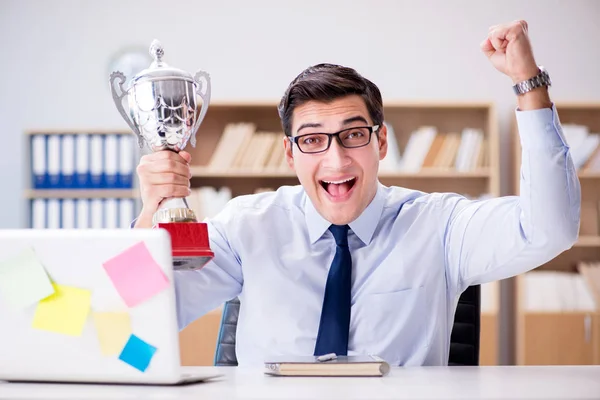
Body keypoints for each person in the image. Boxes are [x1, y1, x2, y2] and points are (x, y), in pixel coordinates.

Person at [133, 20, 581, 366]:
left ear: (381, 142)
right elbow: (143, 315)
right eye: (313, 139)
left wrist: (528, 83)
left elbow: (551, 230)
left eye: (352, 135)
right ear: (289, 154)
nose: (336, 161)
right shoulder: (247, 225)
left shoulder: (440, 226)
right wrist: (149, 215)